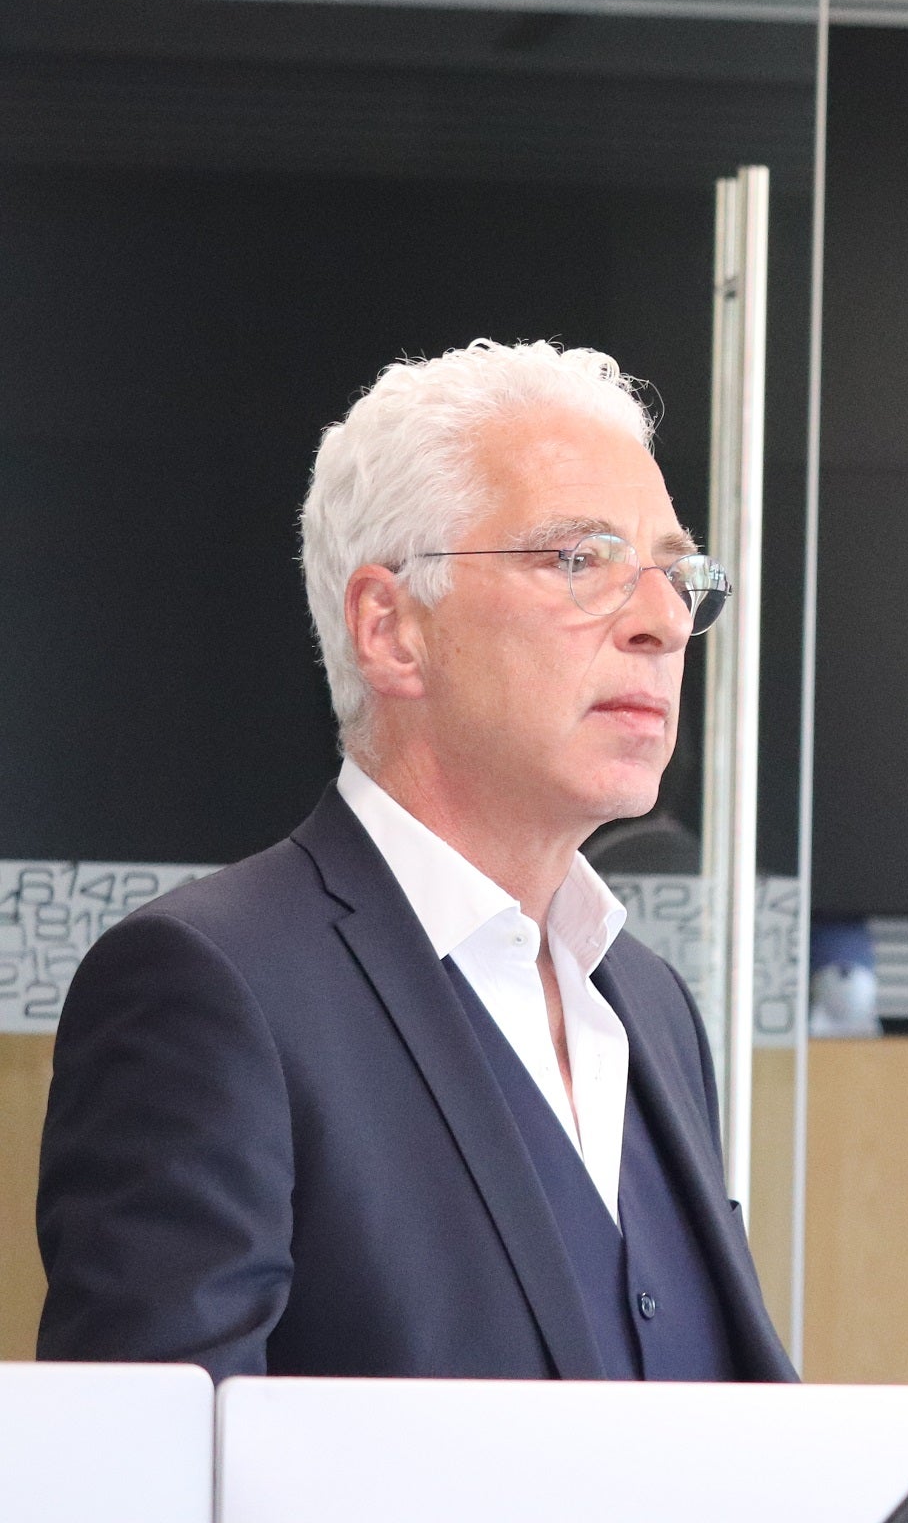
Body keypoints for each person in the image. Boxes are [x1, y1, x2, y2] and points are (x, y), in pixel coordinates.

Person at [36, 339, 793, 1383]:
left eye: (674, 571)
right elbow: (146, 1478)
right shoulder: (210, 987)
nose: (664, 620)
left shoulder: (651, 1007)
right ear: (390, 629)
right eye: (580, 559)